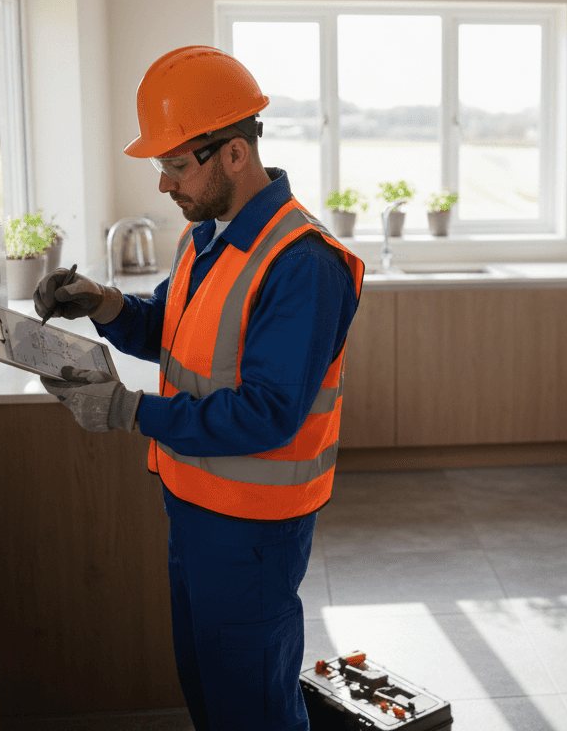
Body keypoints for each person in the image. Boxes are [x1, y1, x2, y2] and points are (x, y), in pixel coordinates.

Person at [32, 45, 364, 731]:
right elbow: (171, 331)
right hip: (194, 504)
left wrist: (127, 411)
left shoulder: (301, 262)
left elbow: (267, 414)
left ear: (235, 154)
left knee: (255, 712)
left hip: (252, 529)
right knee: (213, 698)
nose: (164, 185)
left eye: (177, 165)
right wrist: (98, 302)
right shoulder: (208, 236)